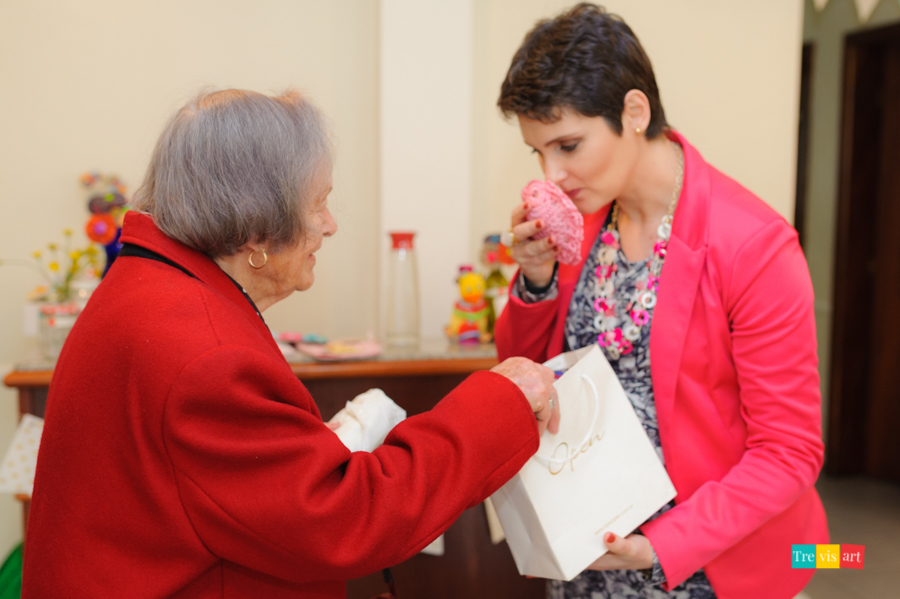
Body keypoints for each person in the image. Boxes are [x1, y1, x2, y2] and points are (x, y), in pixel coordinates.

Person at [23, 89, 560, 598]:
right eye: (318, 203)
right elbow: (347, 520)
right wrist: (500, 401)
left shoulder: (147, 284)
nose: (329, 225)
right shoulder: (203, 355)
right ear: (257, 227)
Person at [494, 4, 828, 599]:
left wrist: (663, 546)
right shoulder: (580, 225)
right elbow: (525, 377)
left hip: (706, 566)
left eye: (568, 145)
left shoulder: (754, 246)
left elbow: (789, 452)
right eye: (538, 152)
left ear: (634, 112)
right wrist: (537, 280)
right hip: (590, 558)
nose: (553, 174)